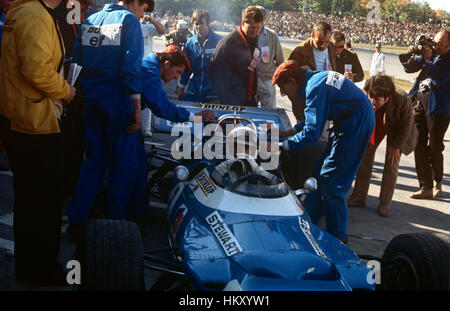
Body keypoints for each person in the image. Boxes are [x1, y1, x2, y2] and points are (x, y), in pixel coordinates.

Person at [0, 0, 76, 285]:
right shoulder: (34, 14)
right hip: (35, 123)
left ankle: (29, 267)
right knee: (45, 204)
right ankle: (40, 270)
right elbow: (37, 71)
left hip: (19, 119)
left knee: (29, 202)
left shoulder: (22, 11)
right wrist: (66, 90)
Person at [68, 0, 154, 233]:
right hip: (118, 102)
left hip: (91, 100)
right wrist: (137, 108)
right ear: (136, 2)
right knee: (121, 166)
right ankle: (114, 225)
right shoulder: (129, 21)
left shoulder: (90, 20)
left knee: (93, 163)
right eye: (143, 9)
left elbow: (75, 61)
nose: (141, 15)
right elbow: (131, 67)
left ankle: (76, 221)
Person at [273, 61, 375, 242]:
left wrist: (282, 145)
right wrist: (289, 132)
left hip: (355, 124)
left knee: (331, 182)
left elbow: (312, 134)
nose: (283, 93)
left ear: (292, 82)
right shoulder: (316, 80)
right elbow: (315, 117)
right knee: (318, 175)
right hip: (350, 120)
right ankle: (308, 222)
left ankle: (338, 239)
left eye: (283, 88)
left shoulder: (314, 88)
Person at [347, 75, 414, 217]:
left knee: (392, 162)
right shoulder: (369, 90)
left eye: (376, 99)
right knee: (365, 155)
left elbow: (407, 125)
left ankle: (384, 203)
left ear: (387, 98)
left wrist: (396, 145)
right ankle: (359, 197)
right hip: (376, 121)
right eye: (371, 97)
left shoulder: (402, 99)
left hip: (397, 128)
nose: (372, 101)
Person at [401, 30, 450, 199]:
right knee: (419, 144)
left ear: (448, 46)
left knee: (435, 147)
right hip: (420, 103)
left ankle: (438, 181)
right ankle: (426, 187)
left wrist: (428, 60)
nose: (434, 45)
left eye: (438, 44)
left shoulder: (446, 60)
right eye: (433, 42)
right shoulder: (430, 54)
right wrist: (421, 56)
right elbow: (407, 67)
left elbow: (438, 79)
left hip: (439, 108)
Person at [141, 45, 214, 123]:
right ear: (167, 64)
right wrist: (195, 117)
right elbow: (161, 106)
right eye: (178, 72)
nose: (177, 77)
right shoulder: (149, 72)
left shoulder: (150, 65)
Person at [210, 6, 264, 107]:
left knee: (249, 123)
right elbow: (214, 72)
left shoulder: (254, 39)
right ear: (243, 23)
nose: (255, 31)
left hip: (250, 100)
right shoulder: (227, 43)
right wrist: (223, 98)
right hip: (231, 102)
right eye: (252, 27)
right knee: (231, 124)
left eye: (258, 28)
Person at [178, 9, 222, 103]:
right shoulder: (190, 42)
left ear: (208, 23)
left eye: (201, 23)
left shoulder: (219, 42)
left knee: (210, 117)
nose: (198, 26)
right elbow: (186, 68)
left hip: (213, 95)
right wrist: (182, 87)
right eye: (196, 23)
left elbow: (226, 69)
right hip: (194, 92)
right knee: (196, 117)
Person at [254, 5, 284, 109]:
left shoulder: (272, 35)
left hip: (267, 79)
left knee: (269, 113)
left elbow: (280, 60)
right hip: (251, 78)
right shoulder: (248, 33)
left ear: (264, 19)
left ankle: (268, 126)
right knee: (250, 110)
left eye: (260, 17)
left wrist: (280, 81)